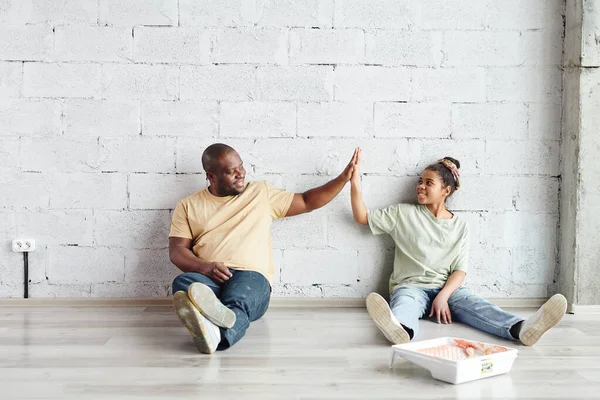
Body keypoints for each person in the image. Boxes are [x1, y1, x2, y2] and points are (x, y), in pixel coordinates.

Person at [349, 148, 567, 346]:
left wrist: (443, 295)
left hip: (448, 290)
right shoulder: (402, 213)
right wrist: (354, 181)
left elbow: (459, 270)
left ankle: (522, 329)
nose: (420, 186)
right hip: (411, 286)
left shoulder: (460, 225)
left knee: (477, 305)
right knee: (405, 303)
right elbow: (362, 217)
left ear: (446, 190)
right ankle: (400, 329)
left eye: (428, 182)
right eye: (420, 181)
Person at [170, 143, 358, 353]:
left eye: (241, 166)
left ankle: (217, 332)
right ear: (211, 177)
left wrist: (343, 178)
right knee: (183, 282)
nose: (241, 174)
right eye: (232, 172)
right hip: (209, 276)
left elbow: (306, 201)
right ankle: (213, 316)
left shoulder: (260, 192)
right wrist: (205, 267)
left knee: (239, 299)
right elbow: (177, 251)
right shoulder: (188, 205)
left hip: (250, 277)